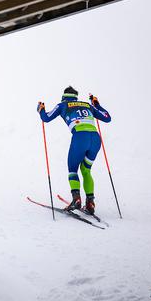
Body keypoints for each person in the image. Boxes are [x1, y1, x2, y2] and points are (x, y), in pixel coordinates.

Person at [37, 86, 111, 214]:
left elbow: (46, 118)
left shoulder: (62, 105)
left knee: (73, 169)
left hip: (80, 138)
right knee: (86, 170)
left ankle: (76, 199)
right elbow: (107, 117)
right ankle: (90, 202)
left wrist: (41, 110)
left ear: (64, 96)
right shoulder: (88, 105)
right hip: (95, 139)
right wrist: (97, 104)